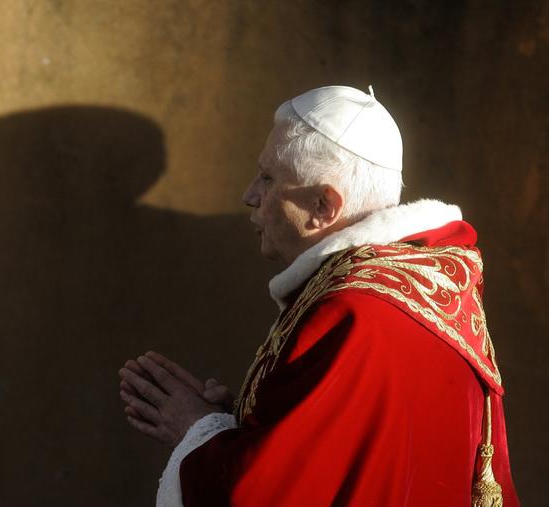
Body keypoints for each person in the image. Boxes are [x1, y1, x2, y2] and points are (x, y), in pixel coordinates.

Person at [118, 85, 519, 506]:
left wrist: (195, 430)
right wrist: (240, 425)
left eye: (268, 178)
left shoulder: (354, 314)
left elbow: (266, 494)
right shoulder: (423, 294)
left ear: (325, 206)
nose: (250, 196)